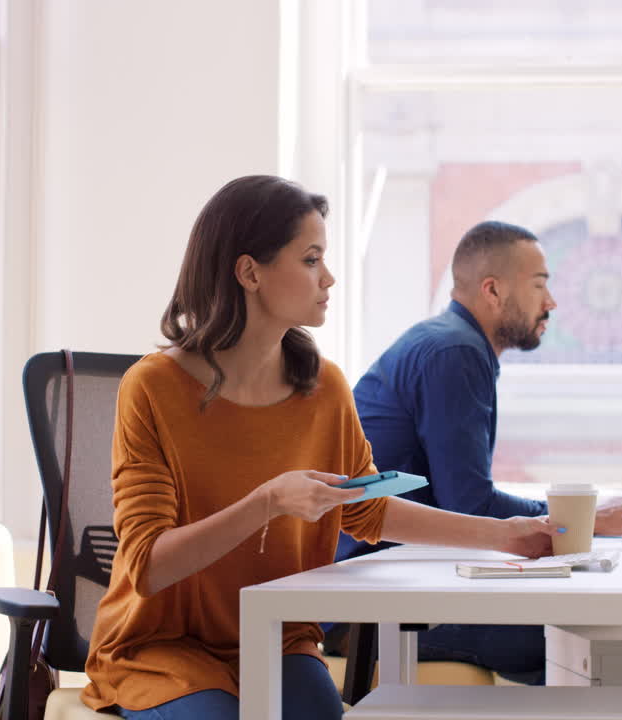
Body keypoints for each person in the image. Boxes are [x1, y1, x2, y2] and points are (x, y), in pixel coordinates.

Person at [80, 176, 559, 720]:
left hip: (274, 640)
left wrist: (505, 537)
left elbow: (367, 508)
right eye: (311, 259)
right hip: (161, 648)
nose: (327, 277)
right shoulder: (153, 388)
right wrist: (268, 502)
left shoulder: (322, 386)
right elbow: (145, 566)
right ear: (249, 272)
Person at [330, 220, 622, 684]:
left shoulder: (453, 343)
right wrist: (582, 520)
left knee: (583, 626)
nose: (551, 303)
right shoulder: (454, 352)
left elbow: (464, 500)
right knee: (576, 633)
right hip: (367, 609)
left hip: (393, 583)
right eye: (539, 286)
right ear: (492, 291)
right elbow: (471, 505)